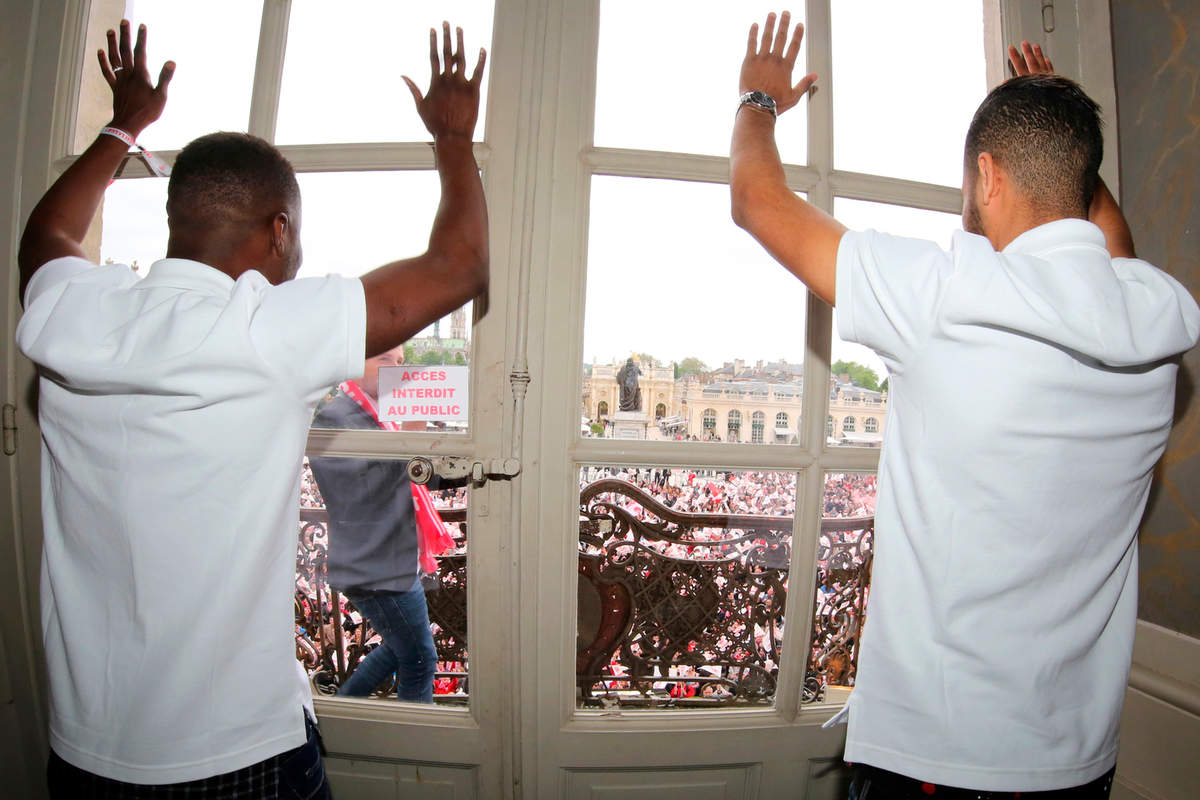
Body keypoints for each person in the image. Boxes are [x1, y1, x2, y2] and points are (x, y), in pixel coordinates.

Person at [731, 13, 1199, 798]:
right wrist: (1063, 140)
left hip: (935, 758)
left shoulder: (945, 296)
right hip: (1076, 758)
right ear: (1083, 185)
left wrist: (759, 98)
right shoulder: (1153, 314)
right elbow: (1112, 247)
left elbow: (756, 198)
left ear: (988, 178)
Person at [16, 17, 487, 797]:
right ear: (279, 230)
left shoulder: (75, 312)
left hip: (84, 747)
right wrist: (451, 138)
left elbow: (46, 234)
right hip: (235, 749)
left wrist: (122, 125)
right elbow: (462, 263)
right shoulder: (266, 329)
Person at [308, 345, 463, 704]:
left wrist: (475, 471)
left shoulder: (381, 414)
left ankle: (343, 712)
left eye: (399, 362)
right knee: (421, 658)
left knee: (400, 649)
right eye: (384, 360)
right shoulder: (336, 416)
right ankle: (416, 745)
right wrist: (410, 446)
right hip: (374, 564)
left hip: (391, 558)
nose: (395, 369)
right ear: (352, 363)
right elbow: (352, 495)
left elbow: (424, 478)